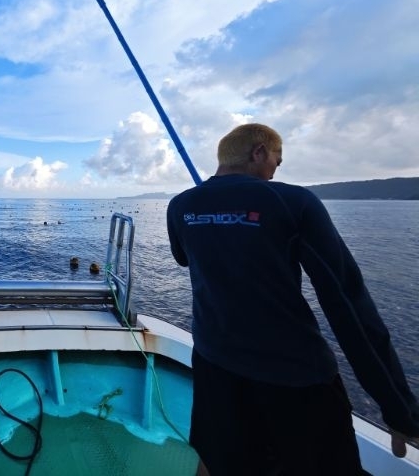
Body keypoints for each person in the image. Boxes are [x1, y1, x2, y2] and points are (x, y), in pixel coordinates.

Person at [166, 123, 419, 475]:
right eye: (276, 161)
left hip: (214, 367)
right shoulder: (293, 201)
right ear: (258, 152)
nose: (273, 172)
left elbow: (183, 257)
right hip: (295, 379)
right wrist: (396, 405)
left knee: (216, 461)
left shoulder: (180, 206)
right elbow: (347, 304)